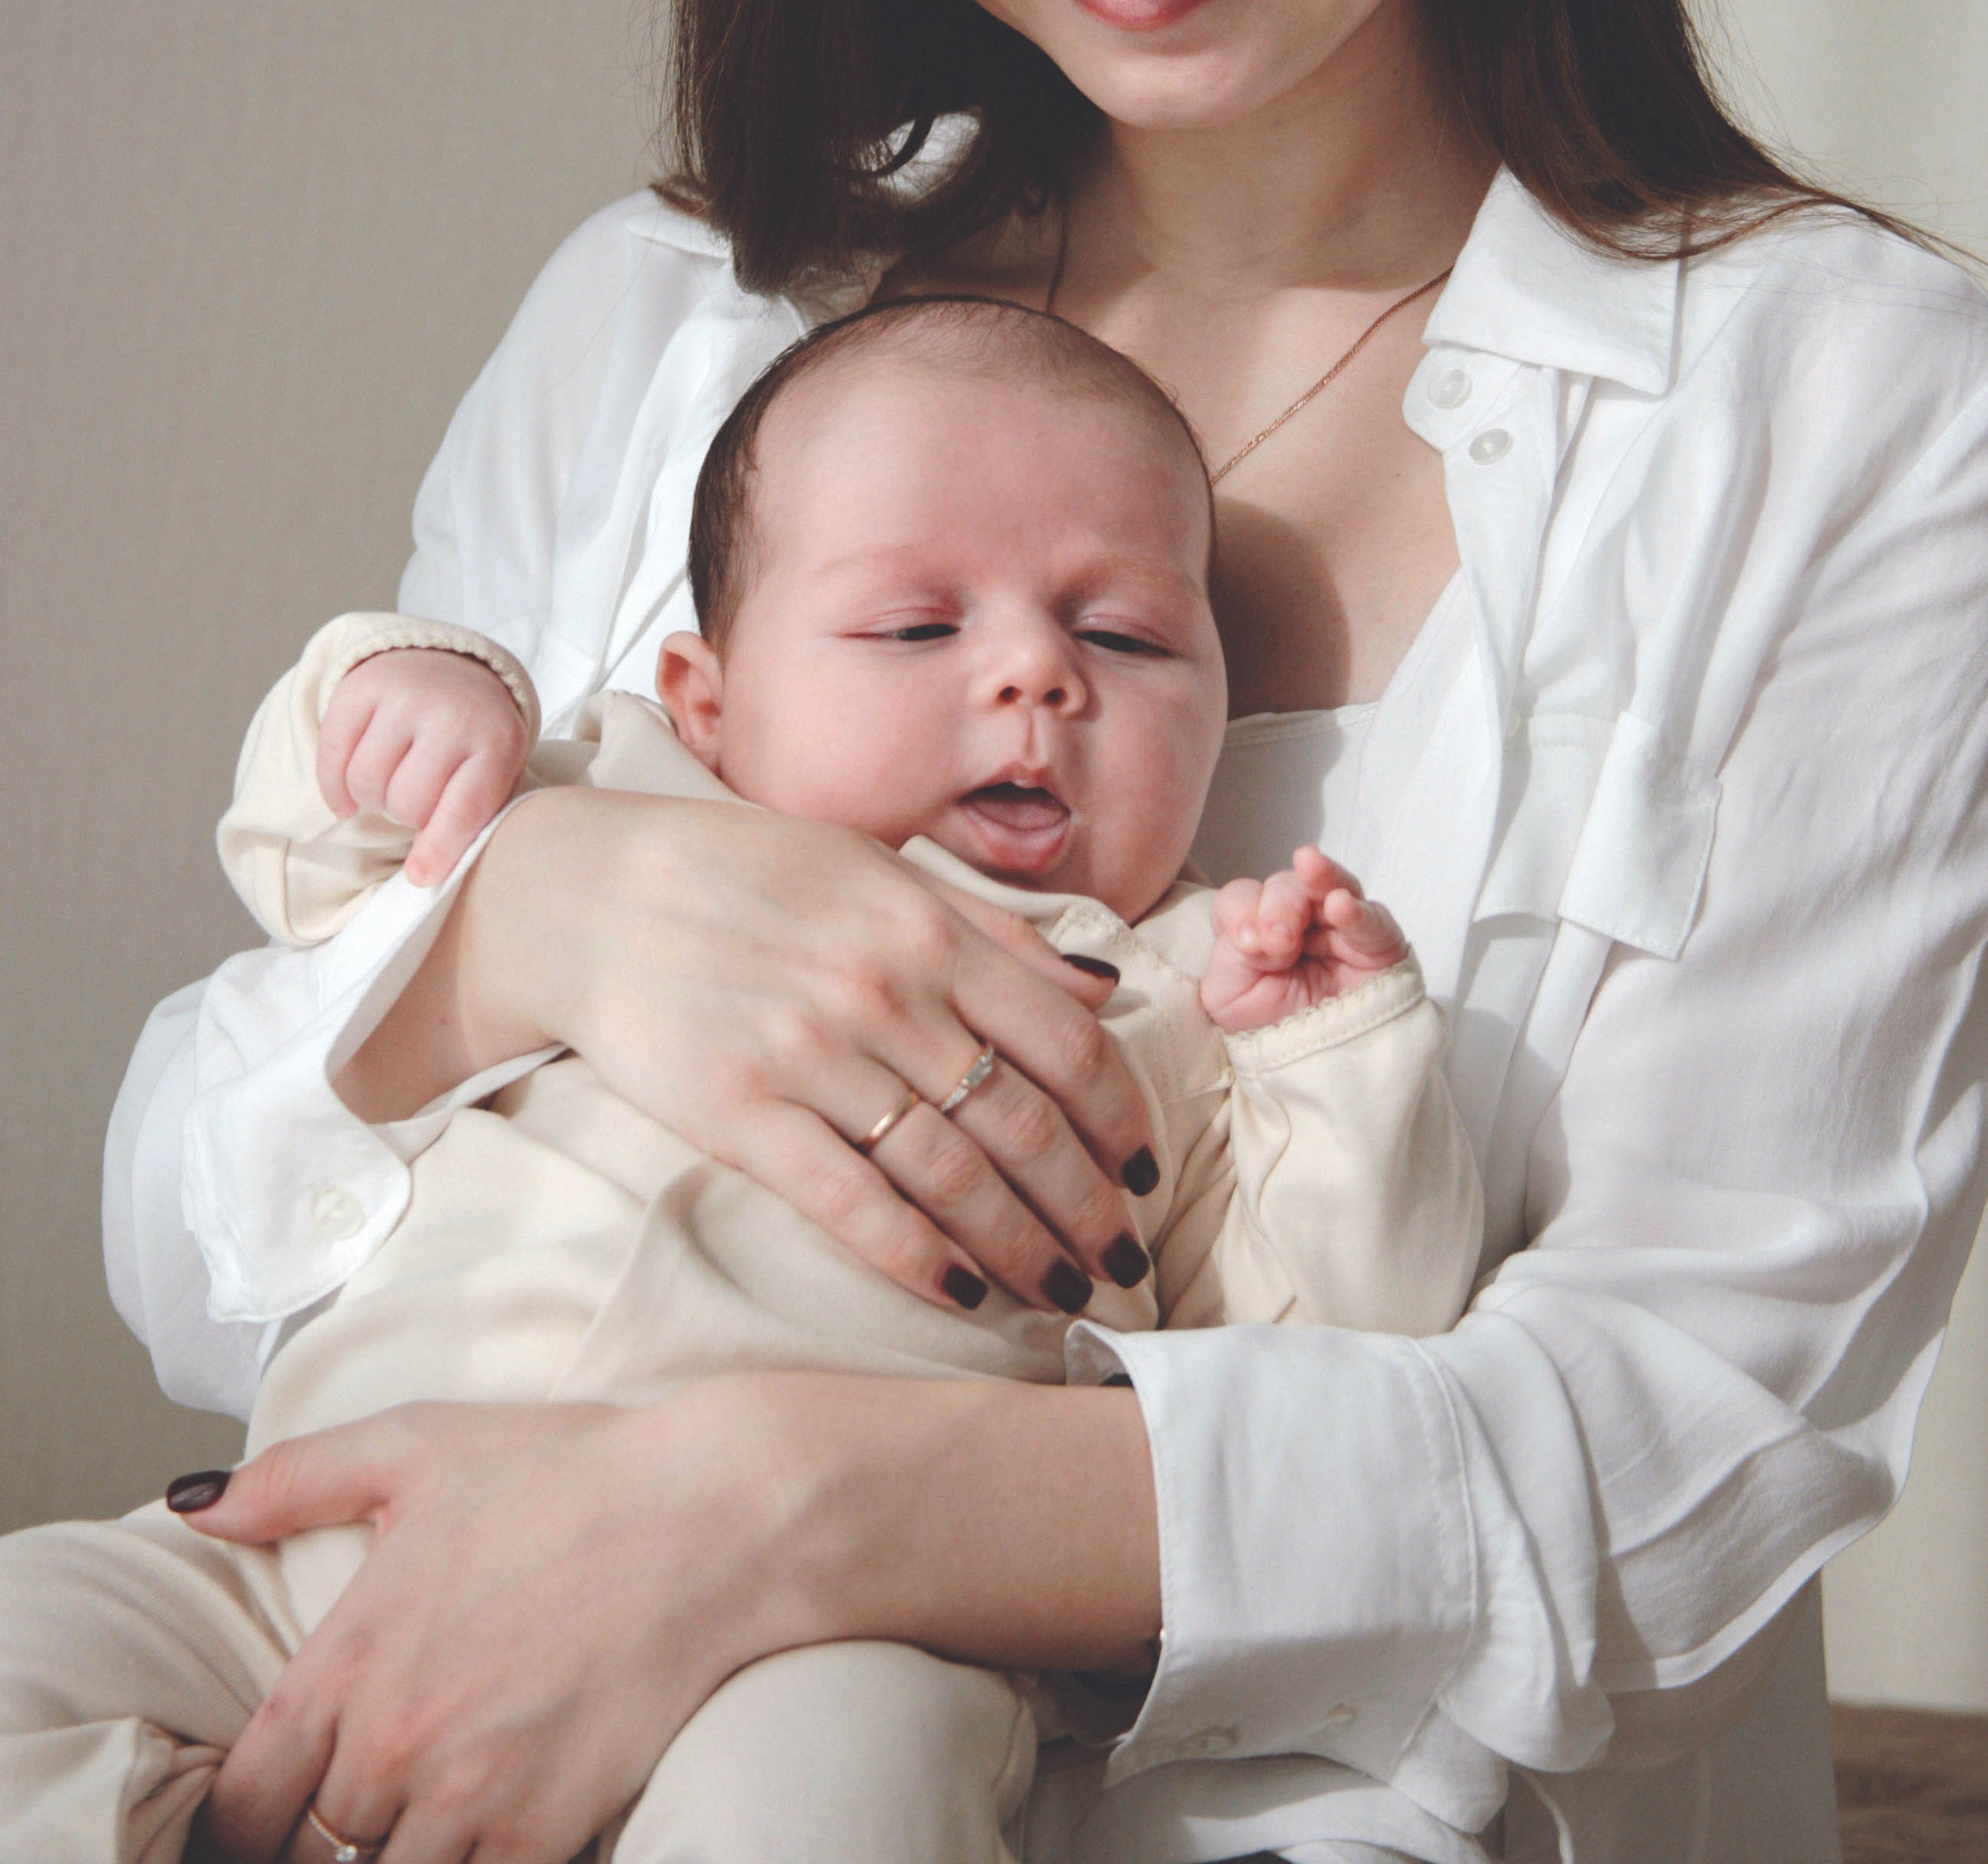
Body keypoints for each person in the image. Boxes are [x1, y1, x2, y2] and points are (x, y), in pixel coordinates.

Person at [92, 0, 1988, 1864]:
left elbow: (1679, 1463)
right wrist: (543, 916)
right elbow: (188, 1226)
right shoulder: (672, 322)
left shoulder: (1856, 415)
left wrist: (781, 1517)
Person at [0, 296, 1484, 1863]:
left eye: (1121, 635)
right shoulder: (618, 797)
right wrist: (419, 692)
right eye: (919, 625)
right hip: (313, 1558)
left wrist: (1336, 1061)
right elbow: (310, 852)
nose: (1036, 678)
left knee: (844, 1785)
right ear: (707, 701)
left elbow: (1321, 1363)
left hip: (819, 1639)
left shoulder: (1179, 1000)